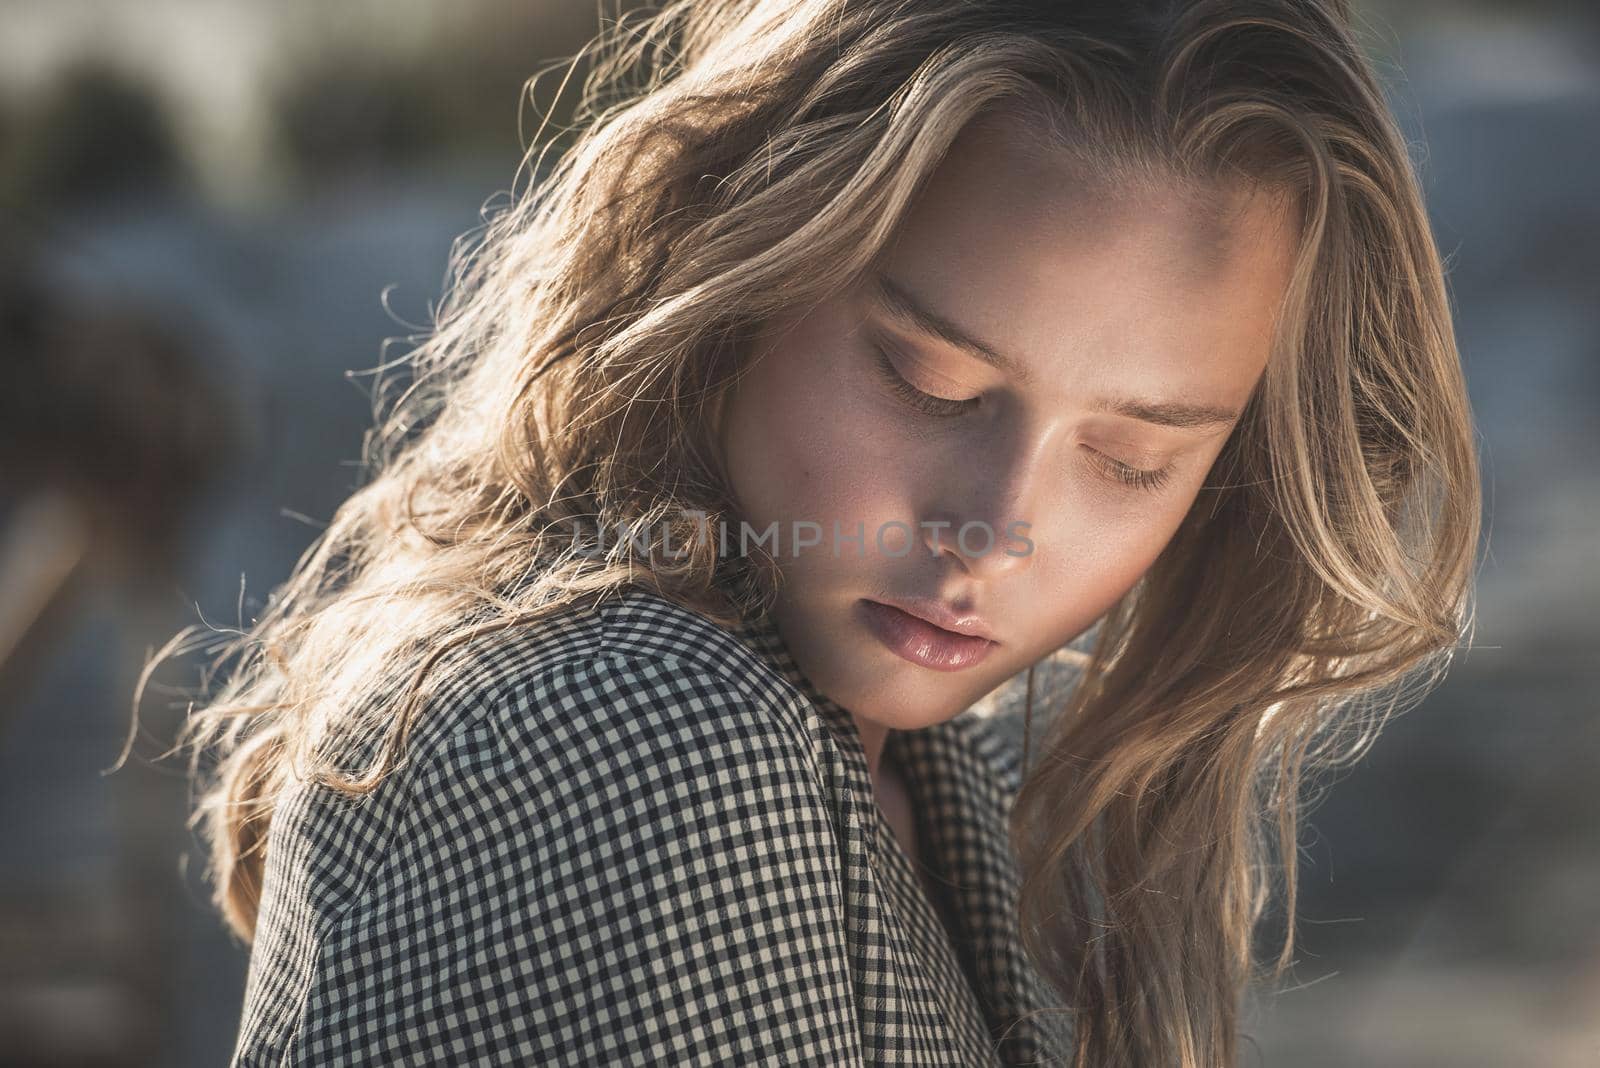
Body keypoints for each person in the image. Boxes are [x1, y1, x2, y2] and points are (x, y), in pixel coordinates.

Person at [165, 0, 1482, 1064]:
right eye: (932, 383)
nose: (997, 531)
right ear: (739, 258)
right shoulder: (630, 744)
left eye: (1133, 459)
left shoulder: (918, 777)